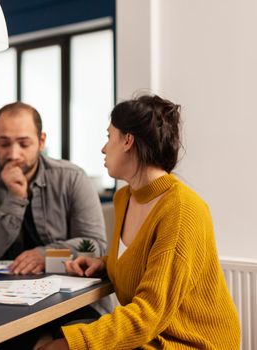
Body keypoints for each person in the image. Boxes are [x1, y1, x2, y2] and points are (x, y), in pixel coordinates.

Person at [39, 95, 240, 349]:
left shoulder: (181, 210)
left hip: (188, 342)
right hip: (151, 334)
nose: (103, 148)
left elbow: (148, 313)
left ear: (127, 140)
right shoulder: (125, 197)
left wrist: (72, 344)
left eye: (108, 136)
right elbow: (144, 261)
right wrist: (104, 264)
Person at [0, 102, 106, 275]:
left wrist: (45, 254)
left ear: (41, 142)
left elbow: (96, 245)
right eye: (4, 144)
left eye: (24, 144)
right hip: (3, 289)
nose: (13, 154)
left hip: (71, 287)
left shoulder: (72, 177)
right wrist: (14, 199)